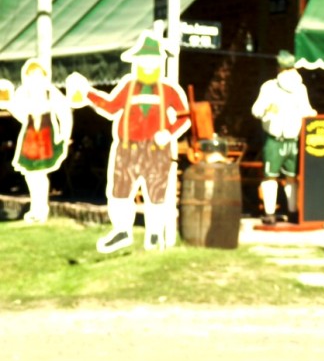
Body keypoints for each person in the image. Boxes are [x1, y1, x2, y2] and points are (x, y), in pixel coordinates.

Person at [67, 30, 190, 253]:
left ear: (159, 62)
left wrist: (169, 132)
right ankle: (122, 231)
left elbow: (185, 117)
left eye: (152, 61)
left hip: (156, 149)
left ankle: (154, 235)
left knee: (156, 193)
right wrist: (88, 93)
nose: (148, 65)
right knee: (119, 192)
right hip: (127, 149)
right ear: (137, 62)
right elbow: (111, 107)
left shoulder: (169, 89)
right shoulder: (128, 86)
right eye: (143, 61)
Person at [0, 59, 73, 224]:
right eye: (32, 75)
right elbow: (19, 113)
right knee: (31, 175)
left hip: (46, 136)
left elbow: (64, 112)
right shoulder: (24, 93)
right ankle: (35, 208)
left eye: (38, 74)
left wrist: (64, 134)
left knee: (40, 174)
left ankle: (42, 209)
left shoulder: (50, 93)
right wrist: (7, 101)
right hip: (31, 136)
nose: (35, 78)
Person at [251, 50, 314, 224]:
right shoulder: (270, 88)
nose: (288, 73)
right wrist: (266, 110)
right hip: (275, 138)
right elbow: (256, 110)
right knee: (271, 176)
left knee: (290, 177)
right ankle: (270, 213)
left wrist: (312, 115)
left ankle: (292, 211)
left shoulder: (300, 89)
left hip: (292, 138)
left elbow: (306, 110)